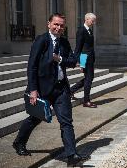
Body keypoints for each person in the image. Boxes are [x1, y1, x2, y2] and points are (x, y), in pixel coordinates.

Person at [12, 13, 86, 166]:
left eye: (61, 26)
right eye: (56, 24)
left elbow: (72, 61)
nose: (59, 28)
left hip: (61, 89)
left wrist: (60, 59)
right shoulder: (41, 40)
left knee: (66, 122)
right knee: (34, 119)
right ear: (49, 24)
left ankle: (71, 155)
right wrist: (33, 90)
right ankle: (19, 142)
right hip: (41, 89)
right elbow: (32, 66)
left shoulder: (64, 42)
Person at [70, 13, 97, 108]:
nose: (93, 23)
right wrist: (79, 62)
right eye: (92, 20)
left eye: (94, 21)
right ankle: (86, 101)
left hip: (90, 58)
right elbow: (78, 48)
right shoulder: (81, 31)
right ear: (86, 19)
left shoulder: (89, 30)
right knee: (89, 79)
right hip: (84, 58)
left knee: (89, 78)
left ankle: (71, 91)